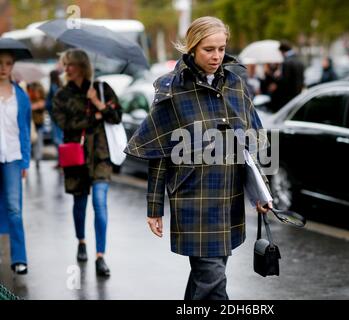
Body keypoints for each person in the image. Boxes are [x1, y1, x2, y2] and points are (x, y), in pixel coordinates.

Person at [125, 16, 272, 300]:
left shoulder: (236, 83)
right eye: (208, 49)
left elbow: (252, 142)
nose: (216, 56)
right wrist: (154, 207)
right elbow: (159, 151)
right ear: (192, 48)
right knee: (213, 283)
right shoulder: (172, 88)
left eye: (221, 48)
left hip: (229, 198)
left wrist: (262, 190)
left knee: (206, 279)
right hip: (193, 199)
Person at [52, 49, 122, 277]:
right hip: (76, 158)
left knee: (100, 203)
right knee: (80, 204)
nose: (67, 68)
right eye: (65, 64)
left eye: (71, 64)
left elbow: (117, 115)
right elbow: (65, 124)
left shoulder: (101, 89)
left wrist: (97, 103)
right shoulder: (61, 95)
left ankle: (100, 256)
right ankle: (81, 240)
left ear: (82, 65)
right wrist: (94, 116)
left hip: (100, 156)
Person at [0, 49, 31, 275]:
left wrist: (25, 162)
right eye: (0, 63)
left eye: (8, 63)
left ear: (12, 66)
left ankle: (19, 259)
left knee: (14, 208)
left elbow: (25, 131)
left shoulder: (21, 96)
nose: (3, 67)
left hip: (13, 157)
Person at [275, 40, 305, 110]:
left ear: (282, 51)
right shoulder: (299, 59)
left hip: (288, 98)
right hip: (298, 95)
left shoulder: (286, 62)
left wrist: (277, 76)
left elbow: (285, 81)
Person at [27, 81, 46, 170]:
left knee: (38, 143)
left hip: (38, 124)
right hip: (31, 124)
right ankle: (31, 159)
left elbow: (41, 105)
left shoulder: (41, 100)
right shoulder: (29, 96)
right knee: (31, 143)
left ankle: (37, 159)